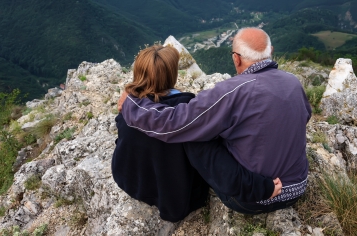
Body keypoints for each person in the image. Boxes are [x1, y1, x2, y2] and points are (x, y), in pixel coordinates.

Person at [120, 28, 312, 214]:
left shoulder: (231, 91)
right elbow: (305, 116)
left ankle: (248, 185)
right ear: (270, 52)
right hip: (296, 188)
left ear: (236, 58)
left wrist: (130, 103)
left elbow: (175, 124)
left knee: (195, 135)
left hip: (250, 199)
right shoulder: (292, 81)